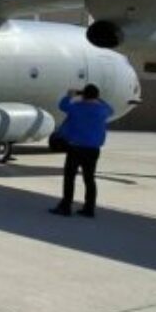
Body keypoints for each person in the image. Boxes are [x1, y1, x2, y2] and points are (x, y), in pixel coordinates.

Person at [49, 84, 113, 218]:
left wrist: (70, 95)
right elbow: (110, 109)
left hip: (75, 148)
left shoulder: (76, 108)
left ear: (84, 95)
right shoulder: (103, 110)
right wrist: (98, 99)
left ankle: (66, 206)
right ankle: (89, 208)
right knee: (89, 179)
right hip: (93, 149)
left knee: (69, 177)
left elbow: (62, 105)